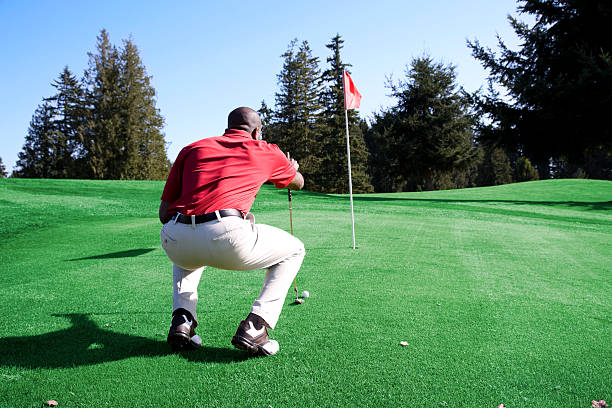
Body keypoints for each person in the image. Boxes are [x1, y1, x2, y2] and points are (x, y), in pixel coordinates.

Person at [158, 107, 305, 356]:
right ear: (257, 131)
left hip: (176, 238)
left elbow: (164, 214)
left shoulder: (192, 149)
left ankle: (182, 320)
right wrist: (290, 167)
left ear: (228, 127)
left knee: (186, 249)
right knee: (295, 249)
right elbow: (298, 182)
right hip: (227, 236)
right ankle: (256, 326)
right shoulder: (267, 150)